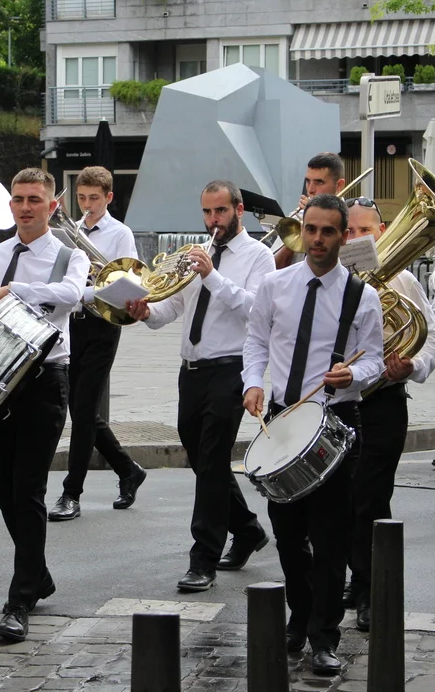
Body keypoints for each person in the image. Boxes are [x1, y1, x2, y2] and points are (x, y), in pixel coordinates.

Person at [242, 194, 384, 674]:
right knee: (286, 536)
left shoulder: (361, 296)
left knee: (331, 538)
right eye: (312, 229)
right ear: (302, 231)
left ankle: (324, 635)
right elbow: (256, 342)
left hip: (336, 421)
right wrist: (253, 382)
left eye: (328, 231)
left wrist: (354, 374)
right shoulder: (274, 284)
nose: (318, 239)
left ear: (343, 236)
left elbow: (375, 358)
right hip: (283, 417)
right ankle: (299, 616)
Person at [126, 179, 273, 593]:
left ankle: (203, 558)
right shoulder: (197, 253)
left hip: (231, 369)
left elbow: (257, 310)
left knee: (211, 461)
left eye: (220, 211)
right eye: (207, 212)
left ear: (239, 210)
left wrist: (213, 277)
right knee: (203, 460)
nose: (212, 220)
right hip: (190, 371)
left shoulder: (259, 256)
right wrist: (145, 312)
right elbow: (173, 307)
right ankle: (247, 529)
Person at [0, 168, 90, 642]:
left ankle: (18, 602)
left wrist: (13, 290)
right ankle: (38, 574)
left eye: (35, 199)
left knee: (29, 491)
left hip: (43, 381)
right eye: (18, 199)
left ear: (52, 206)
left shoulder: (69, 256)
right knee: (2, 490)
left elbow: (71, 296)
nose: (24, 207)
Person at [339, 198, 435, 631]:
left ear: (381, 233)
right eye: (348, 232)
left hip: (383, 401)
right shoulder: (329, 280)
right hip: (339, 402)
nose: (355, 239)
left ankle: (370, 587)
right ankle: (356, 574)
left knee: (371, 496)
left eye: (364, 231)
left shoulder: (401, 279)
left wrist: (412, 365)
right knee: (343, 499)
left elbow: (432, 335)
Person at [48, 166, 146, 522]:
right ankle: (128, 470)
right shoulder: (67, 232)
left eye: (94, 198)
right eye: (82, 198)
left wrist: (84, 291)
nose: (87, 205)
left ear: (109, 197)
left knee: (85, 409)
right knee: (82, 411)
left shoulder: (120, 233)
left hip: (103, 324)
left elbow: (127, 282)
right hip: (70, 326)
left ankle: (71, 493)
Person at [274, 152, 347, 270]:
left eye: (319, 182)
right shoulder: (297, 217)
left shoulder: (352, 217)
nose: (311, 190)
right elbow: (274, 268)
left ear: (338, 185)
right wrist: (292, 240)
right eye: (308, 181)